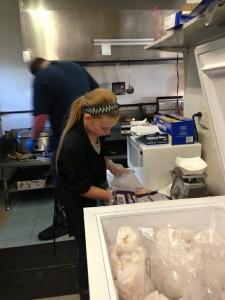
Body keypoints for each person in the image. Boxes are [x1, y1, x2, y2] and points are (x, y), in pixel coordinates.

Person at [56, 88, 129, 300]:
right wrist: (112, 196)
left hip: (94, 192)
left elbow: (97, 152)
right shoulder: (73, 144)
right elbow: (80, 187)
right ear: (88, 118)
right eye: (105, 128)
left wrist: (111, 165)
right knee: (86, 249)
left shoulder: (95, 132)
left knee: (101, 241)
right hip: (79, 202)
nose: (107, 132)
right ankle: (86, 290)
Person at [25, 57, 100, 240]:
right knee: (87, 174)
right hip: (87, 131)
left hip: (65, 136)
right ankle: (89, 217)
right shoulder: (74, 66)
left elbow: (40, 118)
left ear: (35, 70)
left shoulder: (41, 77)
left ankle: (65, 222)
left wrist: (32, 139)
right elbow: (98, 94)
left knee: (62, 179)